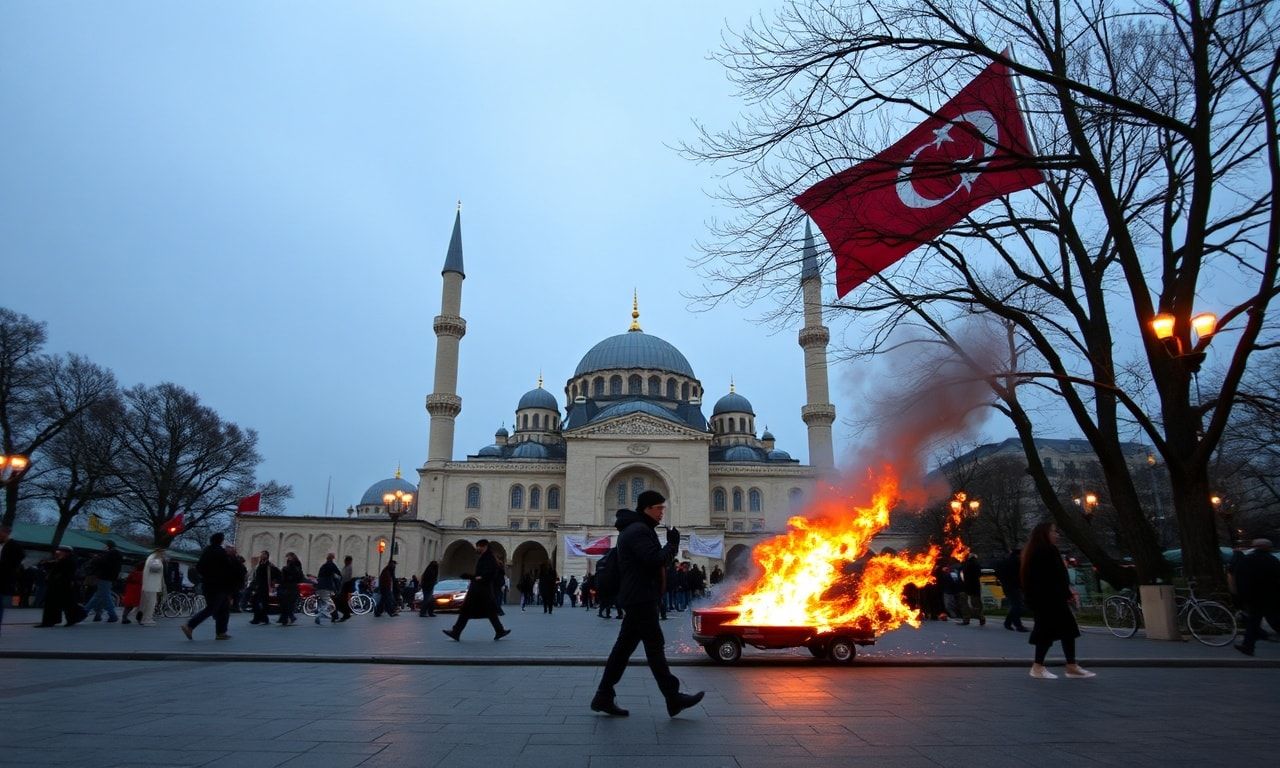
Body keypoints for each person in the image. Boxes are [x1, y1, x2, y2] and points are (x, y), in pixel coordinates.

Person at [591, 491, 704, 718]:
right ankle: (672, 697)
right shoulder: (638, 531)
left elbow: (654, 561)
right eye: (659, 508)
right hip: (640, 597)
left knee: (624, 649)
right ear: (647, 508)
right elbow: (653, 560)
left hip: (638, 596)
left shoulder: (638, 529)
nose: (662, 512)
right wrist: (672, 544)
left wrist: (669, 547)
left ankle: (603, 696)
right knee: (654, 647)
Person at [1021, 522, 1094, 679]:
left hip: (1047, 599)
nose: (1057, 535)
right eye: (1054, 532)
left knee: (1063, 630)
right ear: (1045, 534)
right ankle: (1042, 666)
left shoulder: (1035, 551)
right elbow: (1054, 576)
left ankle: (1068, 665)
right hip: (1050, 599)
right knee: (1054, 632)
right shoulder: (1047, 551)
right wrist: (1066, 593)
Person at [441, 539, 510, 641]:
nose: (476, 548)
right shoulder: (486, 557)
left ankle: (456, 632)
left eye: (478, 546)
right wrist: (474, 577)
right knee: (488, 611)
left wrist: (474, 577)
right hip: (481, 589)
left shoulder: (489, 558)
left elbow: (490, 573)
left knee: (467, 610)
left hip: (480, 589)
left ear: (484, 546)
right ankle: (499, 630)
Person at [182, 532, 235, 640]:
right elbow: (228, 569)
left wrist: (206, 576)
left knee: (223, 608)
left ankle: (221, 632)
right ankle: (190, 625)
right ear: (221, 541)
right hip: (219, 585)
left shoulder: (207, 551)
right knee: (212, 608)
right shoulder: (221, 552)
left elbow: (199, 567)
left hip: (207, 584)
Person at [1234, 539, 1280, 656]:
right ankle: (1248, 645)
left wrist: (1242, 595)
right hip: (1271, 595)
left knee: (1253, 621)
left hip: (1254, 596)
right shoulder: (1273, 560)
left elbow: (1241, 578)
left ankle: (1248, 646)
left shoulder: (1248, 560)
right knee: (1274, 619)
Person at [36, 546, 81, 627]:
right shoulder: (65, 560)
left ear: (66, 553)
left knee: (54, 603)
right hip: (61, 585)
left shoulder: (67, 561)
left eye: (60, 551)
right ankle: (68, 619)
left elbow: (61, 571)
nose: (58, 553)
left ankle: (50, 621)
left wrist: (53, 577)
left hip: (59, 584)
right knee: (65, 603)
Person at [83, 540, 122, 623]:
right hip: (109, 577)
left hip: (104, 576)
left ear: (107, 546)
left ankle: (112, 615)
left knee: (104, 596)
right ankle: (85, 612)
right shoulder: (116, 554)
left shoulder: (109, 554)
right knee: (99, 595)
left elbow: (102, 563)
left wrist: (96, 558)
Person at [994, 548, 1028, 632]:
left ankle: (1008, 622)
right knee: (1018, 606)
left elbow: (998, 573)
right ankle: (1017, 625)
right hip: (1015, 586)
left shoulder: (1005, 562)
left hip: (1007, 586)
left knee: (1016, 605)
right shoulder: (1017, 562)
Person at [0, 525, 25, 635]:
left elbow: (19, 557)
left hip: (3, 578)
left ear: (5, 533)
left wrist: (8, 569)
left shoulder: (14, 546)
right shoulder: (4, 545)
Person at [250, 551, 280, 625]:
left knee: (263, 603)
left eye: (263, 554)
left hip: (264, 586)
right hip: (258, 586)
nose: (261, 555)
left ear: (267, 556)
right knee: (255, 601)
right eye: (261, 554)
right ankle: (260, 618)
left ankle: (262, 618)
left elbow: (278, 573)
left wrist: (273, 581)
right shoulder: (260, 564)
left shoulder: (269, 565)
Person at [138, 548, 166, 626]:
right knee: (151, 603)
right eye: (163, 553)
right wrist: (160, 561)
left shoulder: (152, 558)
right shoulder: (155, 559)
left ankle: (143, 617)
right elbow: (155, 571)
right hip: (151, 586)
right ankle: (147, 619)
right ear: (159, 552)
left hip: (149, 585)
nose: (164, 555)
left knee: (146, 602)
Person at [277, 552, 304, 626]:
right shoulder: (288, 566)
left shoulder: (295, 565)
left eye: (288, 557)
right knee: (286, 603)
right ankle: (286, 618)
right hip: (288, 586)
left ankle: (287, 618)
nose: (287, 558)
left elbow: (297, 575)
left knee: (288, 603)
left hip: (291, 586)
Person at [959, 554, 986, 626]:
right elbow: (979, 574)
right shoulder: (977, 564)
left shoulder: (966, 564)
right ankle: (981, 617)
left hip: (965, 587)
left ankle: (966, 619)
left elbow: (962, 576)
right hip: (975, 587)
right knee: (976, 604)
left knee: (964, 603)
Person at [316, 553, 342, 625]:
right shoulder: (332, 565)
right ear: (332, 558)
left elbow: (319, 576)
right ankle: (321, 614)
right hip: (327, 587)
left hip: (320, 587)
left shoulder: (323, 566)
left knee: (330, 602)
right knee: (330, 603)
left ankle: (335, 616)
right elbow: (339, 574)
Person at [335, 555, 355, 622]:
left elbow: (345, 577)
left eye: (346, 560)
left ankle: (346, 614)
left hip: (346, 585)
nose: (344, 562)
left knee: (342, 600)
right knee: (342, 600)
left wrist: (340, 580)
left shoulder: (349, 568)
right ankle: (346, 614)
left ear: (348, 561)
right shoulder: (346, 567)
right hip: (344, 585)